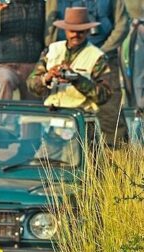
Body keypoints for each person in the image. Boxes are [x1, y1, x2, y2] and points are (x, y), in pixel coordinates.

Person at [45, 0, 131, 146]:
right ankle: (58, 158)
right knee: (60, 112)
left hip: (105, 55)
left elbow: (122, 26)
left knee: (110, 114)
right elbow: (49, 26)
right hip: (65, 56)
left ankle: (116, 159)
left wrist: (97, 53)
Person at [27, 7, 112, 114]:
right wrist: (47, 78)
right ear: (66, 30)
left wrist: (77, 79)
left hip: (81, 118)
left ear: (87, 31)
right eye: (72, 31)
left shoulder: (97, 57)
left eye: (80, 32)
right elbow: (31, 84)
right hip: (52, 116)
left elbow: (105, 95)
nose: (76, 35)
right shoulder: (52, 50)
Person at [0, 0, 46, 100]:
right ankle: (2, 115)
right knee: (5, 82)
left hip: (33, 66)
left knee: (33, 106)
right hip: (5, 65)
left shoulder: (40, 4)